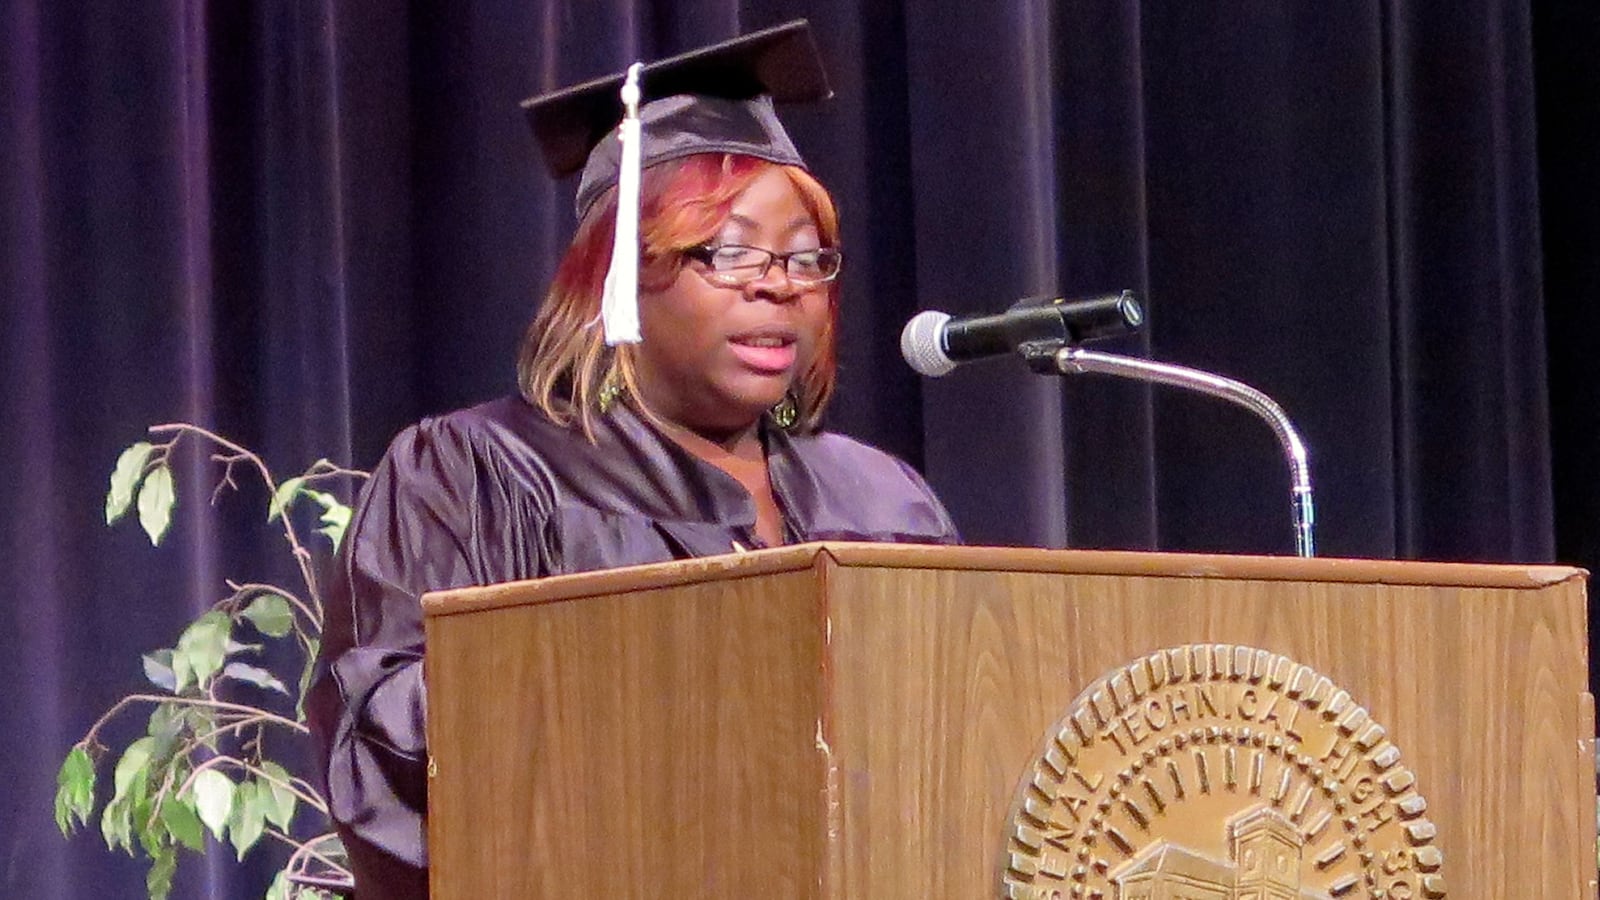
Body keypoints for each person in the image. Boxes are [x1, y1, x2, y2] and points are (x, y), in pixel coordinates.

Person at [306, 22, 959, 898]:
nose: (778, 283)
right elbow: (380, 749)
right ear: (614, 275)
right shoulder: (476, 473)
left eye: (808, 258)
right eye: (729, 252)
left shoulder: (883, 496)